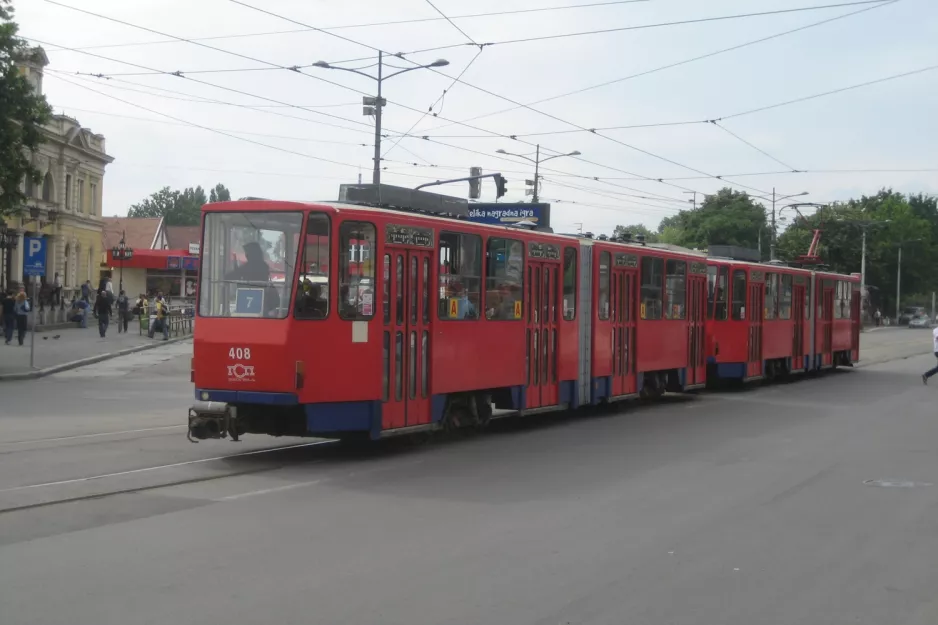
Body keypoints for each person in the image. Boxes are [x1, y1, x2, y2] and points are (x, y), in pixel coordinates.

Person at [224, 241, 280, 315]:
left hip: (249, 298)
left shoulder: (248, 267)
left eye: (247, 253)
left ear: (252, 254)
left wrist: (235, 270)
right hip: (264, 301)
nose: (246, 255)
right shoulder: (264, 265)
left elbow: (230, 276)